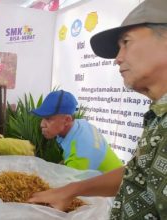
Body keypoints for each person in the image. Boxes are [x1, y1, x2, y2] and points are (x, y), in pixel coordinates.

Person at [28, 0, 167, 219]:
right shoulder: (159, 115)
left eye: (126, 42)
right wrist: (69, 191)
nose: (117, 58)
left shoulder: (82, 143)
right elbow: (139, 172)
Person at [31, 90, 122, 173]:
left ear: (67, 120)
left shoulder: (80, 157)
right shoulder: (80, 124)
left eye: (48, 119)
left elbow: (67, 186)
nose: (42, 124)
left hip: (113, 189)